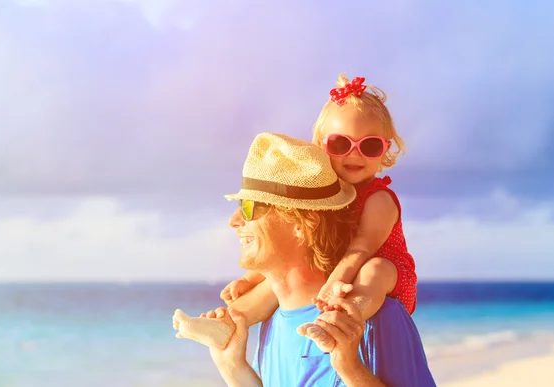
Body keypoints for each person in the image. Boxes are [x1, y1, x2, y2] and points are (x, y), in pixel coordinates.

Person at [173, 75, 417, 352]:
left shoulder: (379, 199)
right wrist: (249, 278)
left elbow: (363, 248)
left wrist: (336, 281)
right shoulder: (325, 196)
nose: (355, 155)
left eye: (370, 146)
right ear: (322, 147)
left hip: (382, 276)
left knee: (375, 269)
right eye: (341, 144)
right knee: (281, 278)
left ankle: (343, 320)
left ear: (386, 149)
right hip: (337, 273)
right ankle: (227, 324)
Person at [173, 132, 435, 386]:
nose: (234, 221)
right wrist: (232, 367)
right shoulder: (274, 322)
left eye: (249, 207)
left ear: (302, 224)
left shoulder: (373, 318)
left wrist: (349, 368)